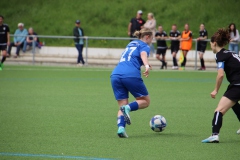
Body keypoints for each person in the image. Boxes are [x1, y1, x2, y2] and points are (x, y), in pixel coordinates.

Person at [111, 28, 152, 138]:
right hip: (130, 75)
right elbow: (143, 54)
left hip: (115, 74)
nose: (151, 41)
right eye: (151, 38)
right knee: (145, 101)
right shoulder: (144, 45)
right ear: (147, 37)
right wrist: (147, 66)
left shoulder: (131, 44)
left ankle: (121, 128)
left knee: (122, 106)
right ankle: (128, 108)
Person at [202, 28, 240, 143]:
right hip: (236, 84)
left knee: (219, 110)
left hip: (237, 85)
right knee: (233, 103)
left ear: (214, 43)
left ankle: (214, 135)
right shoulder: (231, 53)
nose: (211, 47)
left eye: (210, 45)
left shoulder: (220, 55)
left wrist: (215, 90)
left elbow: (220, 75)